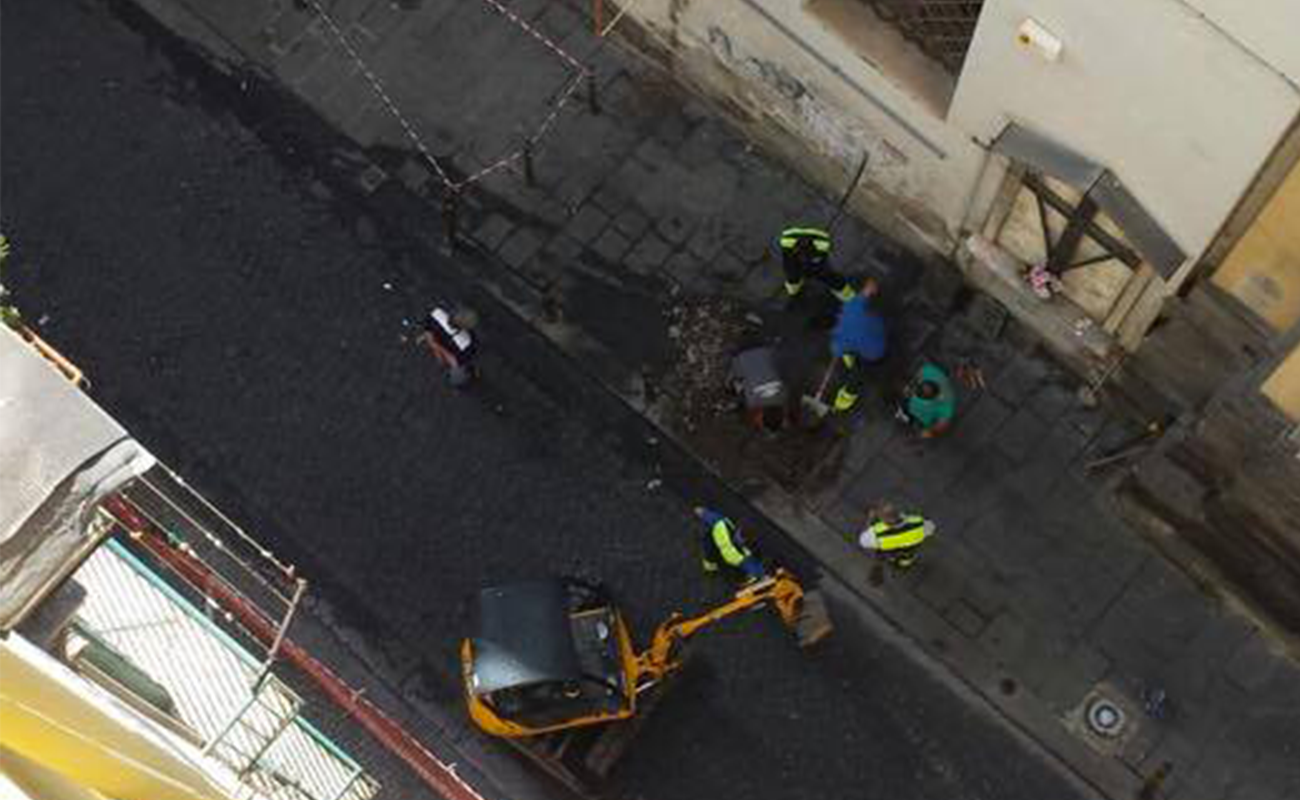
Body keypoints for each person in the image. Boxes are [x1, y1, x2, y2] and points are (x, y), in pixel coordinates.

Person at [829, 277, 887, 413]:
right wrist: (870, 286)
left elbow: (838, 352)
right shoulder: (851, 308)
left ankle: (843, 403)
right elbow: (866, 292)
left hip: (873, 354)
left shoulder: (837, 343)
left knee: (857, 375)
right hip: (879, 330)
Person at [777, 227, 855, 303]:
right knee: (791, 271)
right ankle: (793, 288)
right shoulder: (786, 242)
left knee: (824, 273)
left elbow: (821, 259)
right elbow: (787, 258)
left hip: (817, 246)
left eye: (807, 257)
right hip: (793, 246)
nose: (804, 261)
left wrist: (814, 266)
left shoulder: (823, 245)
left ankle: (849, 297)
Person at [693, 506, 766, 580]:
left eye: (743, 539)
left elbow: (752, 566)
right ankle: (711, 568)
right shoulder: (723, 524)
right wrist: (703, 512)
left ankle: (712, 569)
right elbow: (713, 518)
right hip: (715, 544)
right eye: (742, 537)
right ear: (738, 529)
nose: (741, 540)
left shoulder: (743, 557)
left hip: (723, 555)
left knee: (710, 552)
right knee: (708, 549)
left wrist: (702, 512)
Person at [730, 345, 789, 432]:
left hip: (768, 346)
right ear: (761, 416)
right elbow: (738, 381)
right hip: (742, 350)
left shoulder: (785, 396)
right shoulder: (752, 402)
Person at [857, 503, 935, 570]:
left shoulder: (878, 535)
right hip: (908, 557)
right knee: (905, 562)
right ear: (898, 513)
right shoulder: (919, 523)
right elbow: (931, 527)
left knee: (890, 560)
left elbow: (862, 541)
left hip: (893, 556)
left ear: (885, 522)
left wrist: (870, 519)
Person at [420, 305, 478, 387]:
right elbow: (454, 361)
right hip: (448, 351)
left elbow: (427, 328)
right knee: (458, 376)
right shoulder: (466, 342)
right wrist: (436, 348)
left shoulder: (437, 313)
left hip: (441, 346)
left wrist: (435, 346)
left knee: (458, 375)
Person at [899, 362, 956, 437]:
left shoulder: (946, 406)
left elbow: (941, 426)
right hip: (908, 404)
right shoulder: (927, 372)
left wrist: (925, 432)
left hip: (918, 419)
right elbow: (916, 375)